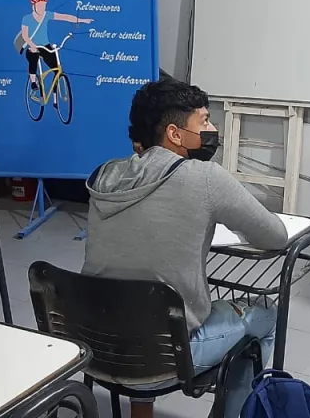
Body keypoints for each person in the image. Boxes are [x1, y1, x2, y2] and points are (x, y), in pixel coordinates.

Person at [83, 78, 289, 418]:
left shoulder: (105, 174)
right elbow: (276, 236)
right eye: (204, 121)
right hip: (166, 355)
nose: (212, 129)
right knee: (267, 316)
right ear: (175, 134)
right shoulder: (205, 177)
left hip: (96, 345)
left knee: (138, 294)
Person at [18, 0, 92, 91]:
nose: (42, 8)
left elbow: (64, 17)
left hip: (45, 46)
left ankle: (54, 94)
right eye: (39, 5)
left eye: (44, 5)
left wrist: (81, 20)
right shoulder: (27, 19)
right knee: (33, 58)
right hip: (32, 46)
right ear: (33, 6)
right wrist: (32, 45)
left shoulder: (46, 15)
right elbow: (25, 35)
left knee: (57, 68)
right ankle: (33, 82)